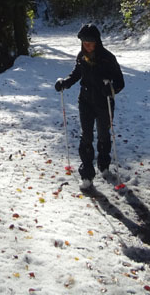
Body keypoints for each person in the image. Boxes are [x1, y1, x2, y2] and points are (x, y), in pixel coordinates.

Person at [55, 23, 124, 190]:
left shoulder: (108, 58)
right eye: (84, 42)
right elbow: (76, 74)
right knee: (86, 136)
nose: (87, 45)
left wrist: (111, 89)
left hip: (103, 102)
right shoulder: (81, 56)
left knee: (103, 135)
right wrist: (65, 83)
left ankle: (104, 164)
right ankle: (86, 175)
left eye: (90, 42)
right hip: (85, 101)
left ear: (97, 42)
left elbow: (120, 82)